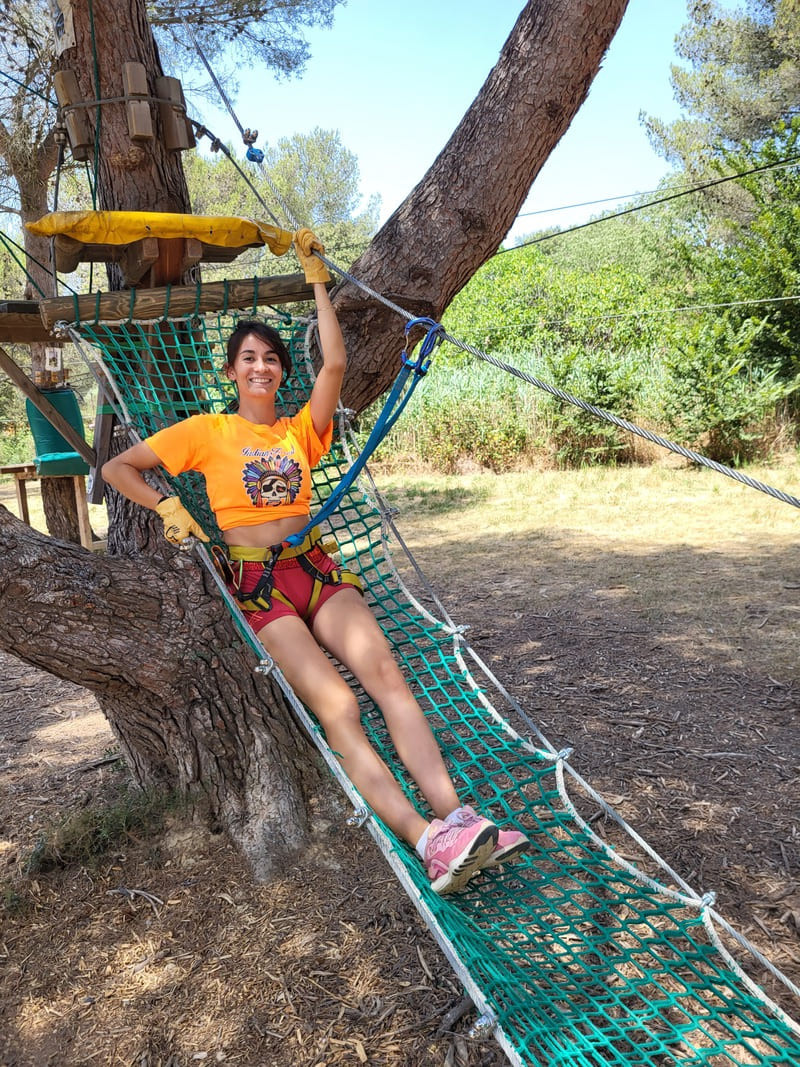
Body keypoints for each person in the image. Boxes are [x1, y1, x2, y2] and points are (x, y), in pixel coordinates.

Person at [102, 228, 529, 894]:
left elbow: (333, 364)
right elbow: (117, 466)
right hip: (256, 582)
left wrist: (316, 281)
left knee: (386, 672)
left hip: (317, 569)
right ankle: (424, 840)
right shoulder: (206, 432)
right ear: (231, 371)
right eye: (248, 358)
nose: (262, 367)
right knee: (336, 702)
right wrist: (167, 508)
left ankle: (459, 818)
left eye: (270, 357)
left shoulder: (300, 427)